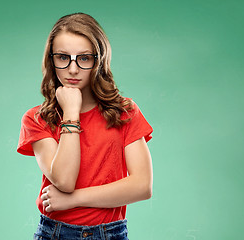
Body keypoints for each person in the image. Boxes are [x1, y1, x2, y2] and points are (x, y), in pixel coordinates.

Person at [17, 12, 153, 240]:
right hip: (55, 233)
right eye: (62, 57)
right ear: (51, 60)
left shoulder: (124, 112)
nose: (72, 69)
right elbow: (65, 180)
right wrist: (71, 112)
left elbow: (142, 186)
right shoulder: (37, 119)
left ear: (98, 60)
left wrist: (74, 200)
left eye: (84, 58)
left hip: (111, 233)